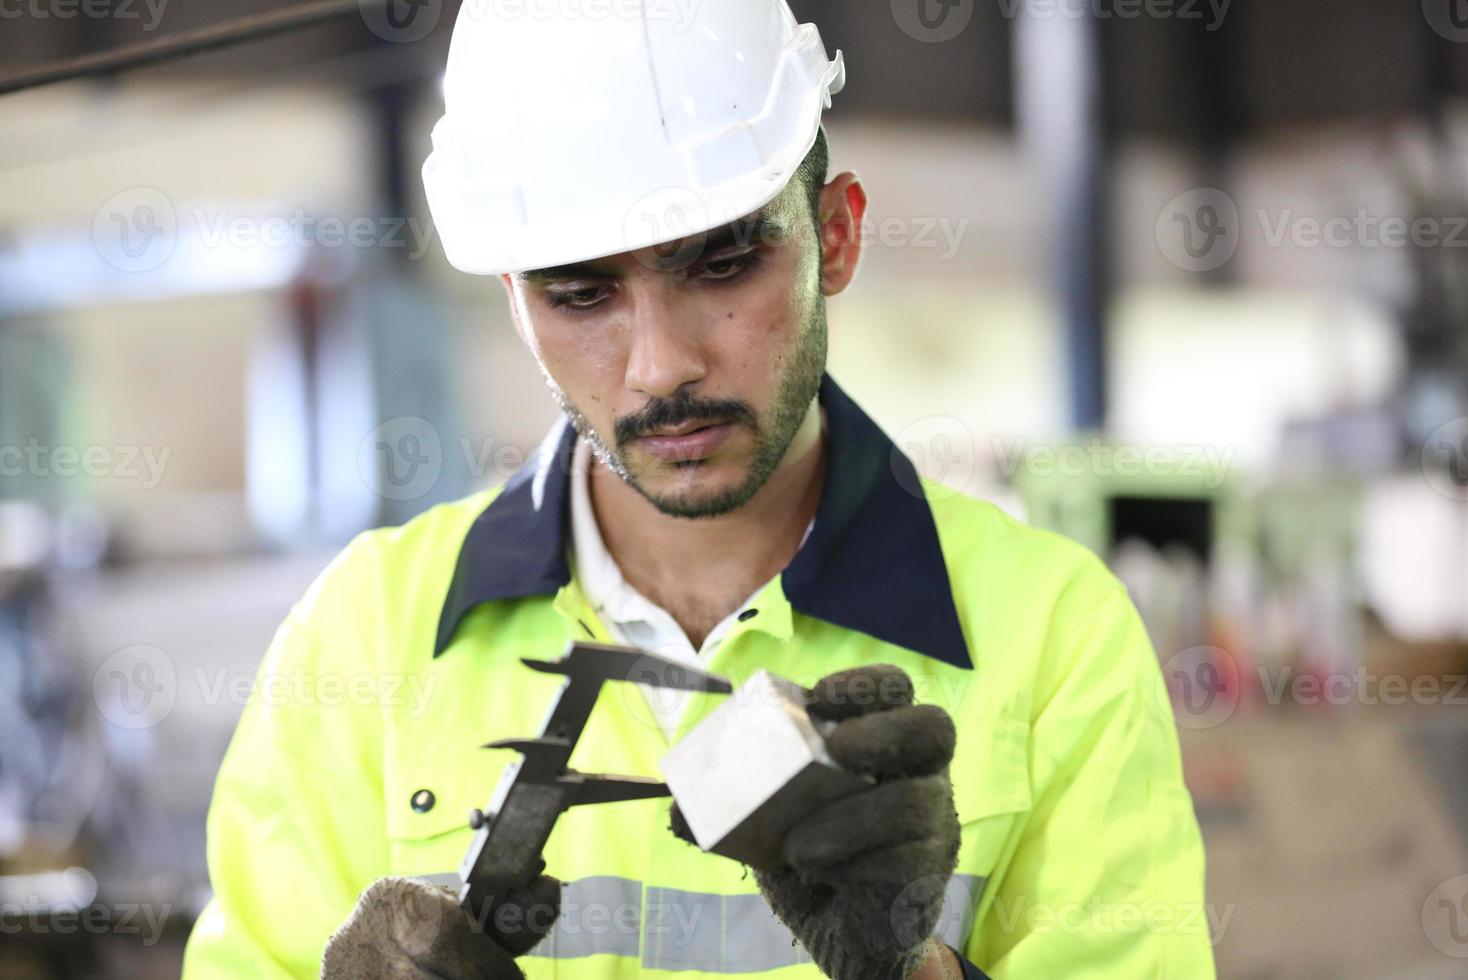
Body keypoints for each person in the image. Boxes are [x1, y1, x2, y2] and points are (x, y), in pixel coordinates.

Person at [182, 3, 1213, 978]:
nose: (658, 366)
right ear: (514, 301)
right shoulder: (366, 636)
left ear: (837, 236)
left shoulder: (1053, 638)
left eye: (721, 265)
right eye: (580, 293)